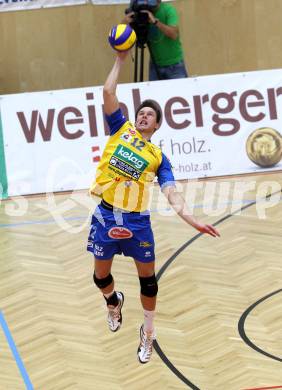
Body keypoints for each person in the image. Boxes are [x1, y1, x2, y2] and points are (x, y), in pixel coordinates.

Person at [87, 49, 219, 364]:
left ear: (157, 126)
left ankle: (148, 332)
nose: (144, 116)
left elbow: (173, 193)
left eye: (150, 115)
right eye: (141, 113)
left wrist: (192, 220)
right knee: (100, 277)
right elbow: (108, 92)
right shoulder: (121, 129)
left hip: (136, 223)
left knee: (149, 281)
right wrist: (120, 59)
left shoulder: (159, 158)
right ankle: (113, 301)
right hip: (106, 216)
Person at [123, 0, 188, 81]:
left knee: (178, 92)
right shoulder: (140, 12)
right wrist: (125, 23)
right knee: (155, 92)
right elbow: (122, 37)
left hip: (174, 66)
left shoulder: (168, 10)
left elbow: (174, 34)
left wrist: (155, 22)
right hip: (155, 65)